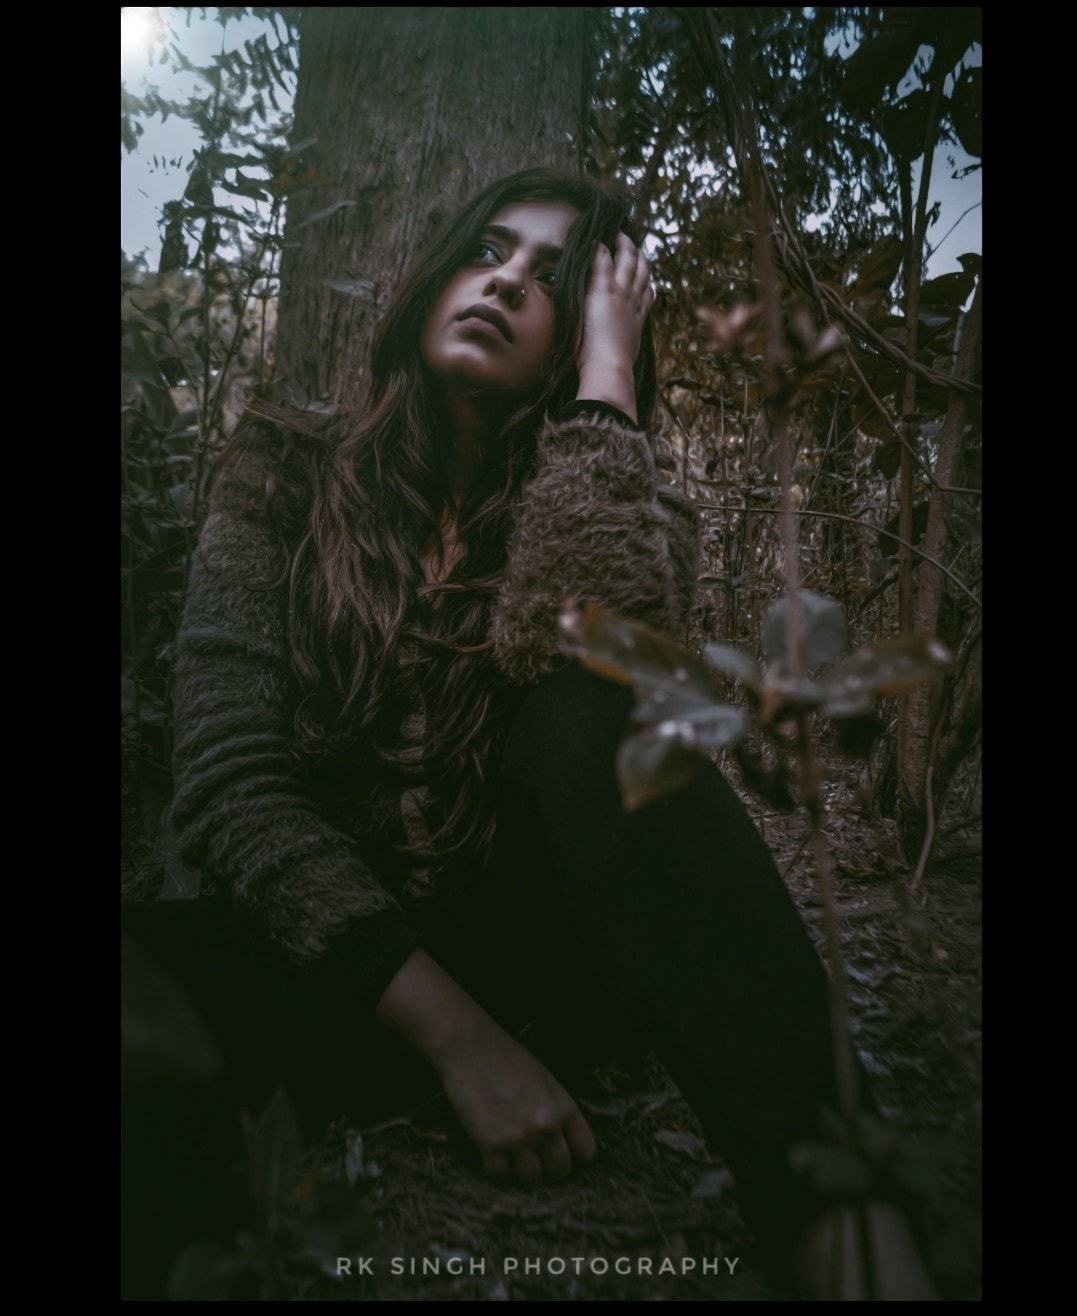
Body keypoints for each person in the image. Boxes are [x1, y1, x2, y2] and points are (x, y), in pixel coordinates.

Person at [121, 167, 936, 1299]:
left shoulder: (628, 496)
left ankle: (845, 1222)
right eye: (486, 251)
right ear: (434, 279)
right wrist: (460, 1041)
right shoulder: (284, 468)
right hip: (330, 958)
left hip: (543, 961)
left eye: (553, 280)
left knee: (593, 701)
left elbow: (594, 690)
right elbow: (229, 782)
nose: (505, 282)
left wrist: (605, 389)